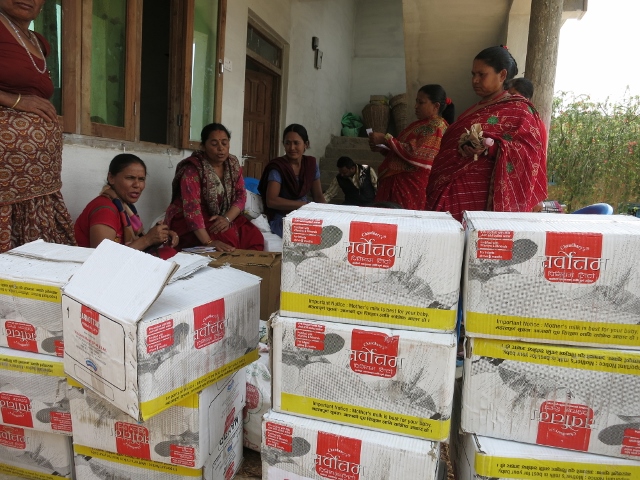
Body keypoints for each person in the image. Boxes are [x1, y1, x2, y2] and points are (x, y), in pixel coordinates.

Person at [426, 46, 547, 221]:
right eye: (473, 74)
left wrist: (490, 148)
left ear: (502, 75)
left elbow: (529, 153)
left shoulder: (519, 110)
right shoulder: (473, 110)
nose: (475, 80)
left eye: (482, 75)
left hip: (477, 197)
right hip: (443, 186)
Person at [0, 0, 75, 252]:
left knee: (34, 265)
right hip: (5, 186)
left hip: (39, 186)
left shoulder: (39, 42)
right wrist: (14, 100)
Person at [165, 123, 264, 252]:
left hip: (223, 215)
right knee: (225, 238)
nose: (221, 148)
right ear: (203, 146)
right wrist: (209, 242)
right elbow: (191, 209)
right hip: (192, 219)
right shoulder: (192, 170)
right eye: (214, 144)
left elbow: (241, 195)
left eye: (224, 143)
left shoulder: (233, 165)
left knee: (254, 237)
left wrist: (227, 218)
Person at [75, 154, 178, 258]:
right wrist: (147, 239)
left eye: (141, 179)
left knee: (170, 253)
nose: (137, 185)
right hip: (94, 269)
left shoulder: (124, 206)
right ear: (111, 178)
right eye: (130, 178)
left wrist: (158, 236)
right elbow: (102, 258)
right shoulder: (105, 210)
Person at [368, 84, 454, 210]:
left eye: (421, 102)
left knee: (402, 222)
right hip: (398, 184)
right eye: (416, 102)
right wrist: (383, 147)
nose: (416, 106)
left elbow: (418, 155)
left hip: (409, 186)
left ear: (436, 106)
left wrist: (386, 139)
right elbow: (403, 151)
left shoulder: (437, 126)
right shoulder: (419, 124)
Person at [258, 124, 326, 237]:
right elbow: (272, 201)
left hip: (305, 214)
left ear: (306, 144)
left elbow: (318, 197)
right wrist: (303, 205)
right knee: (305, 236)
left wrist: (328, 214)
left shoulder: (311, 164)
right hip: (282, 217)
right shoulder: (279, 167)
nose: (292, 148)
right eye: (287, 143)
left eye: (296, 143)